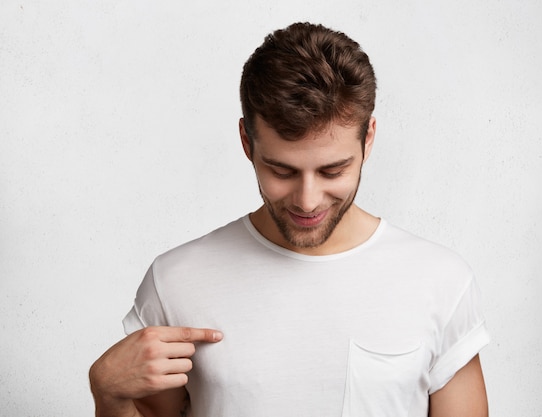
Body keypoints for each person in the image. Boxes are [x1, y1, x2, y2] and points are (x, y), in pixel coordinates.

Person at [89, 22, 490, 417]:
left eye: (333, 171)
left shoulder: (439, 281)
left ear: (368, 138)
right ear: (247, 142)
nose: (308, 200)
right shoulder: (176, 281)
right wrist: (109, 396)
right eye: (282, 171)